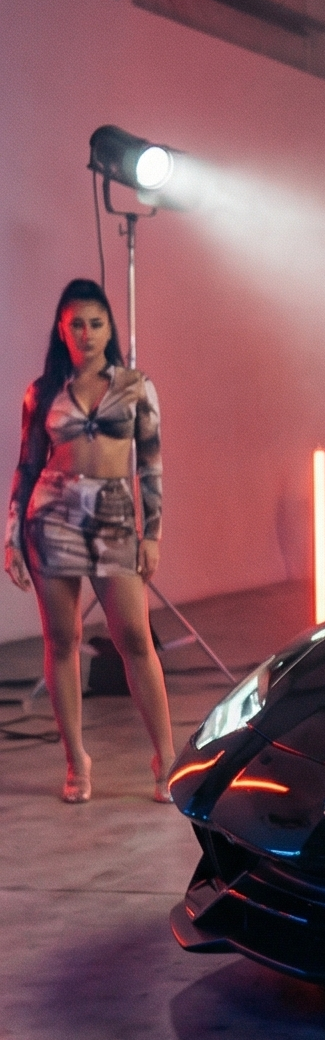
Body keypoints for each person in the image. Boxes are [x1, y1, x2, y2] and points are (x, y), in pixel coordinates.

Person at [4, 278, 175, 805]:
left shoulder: (135, 386)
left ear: (109, 327)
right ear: (62, 328)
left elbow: (149, 465)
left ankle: (166, 759)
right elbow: (27, 465)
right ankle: (76, 760)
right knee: (62, 640)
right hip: (51, 519)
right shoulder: (42, 391)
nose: (87, 332)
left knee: (135, 639)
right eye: (76, 323)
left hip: (116, 518)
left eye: (96, 322)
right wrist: (12, 537)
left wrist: (154, 534)